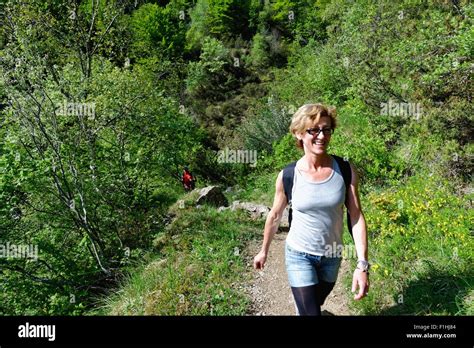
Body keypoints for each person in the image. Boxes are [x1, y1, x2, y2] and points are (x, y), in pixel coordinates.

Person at [253, 103, 369, 315]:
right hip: (299, 254)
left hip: (331, 256)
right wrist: (264, 251)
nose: (321, 136)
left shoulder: (344, 169)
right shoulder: (288, 175)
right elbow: (275, 215)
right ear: (298, 134)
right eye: (313, 130)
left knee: (316, 302)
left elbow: (356, 216)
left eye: (326, 129)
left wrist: (362, 265)